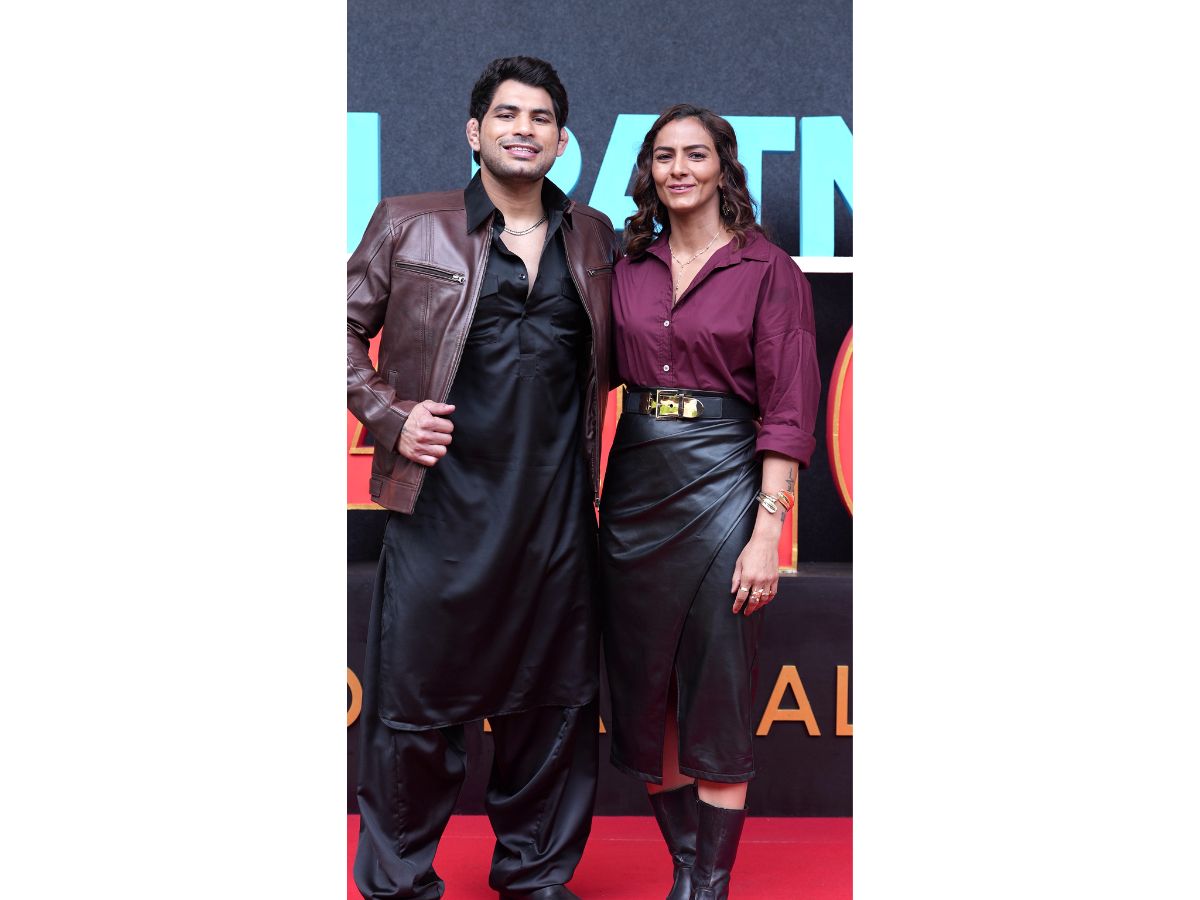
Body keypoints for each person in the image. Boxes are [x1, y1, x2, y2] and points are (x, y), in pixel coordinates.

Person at [347, 56, 616, 900]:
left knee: (553, 707)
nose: (523, 129)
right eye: (506, 114)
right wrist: (387, 414)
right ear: (474, 131)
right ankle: (399, 884)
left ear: (563, 141)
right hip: (441, 512)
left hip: (555, 515)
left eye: (541, 118)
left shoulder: (595, 235)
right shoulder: (409, 223)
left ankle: (535, 876)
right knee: (415, 711)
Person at [599, 105, 820, 900]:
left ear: (724, 166)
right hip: (635, 489)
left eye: (696, 154)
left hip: (727, 482)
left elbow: (788, 411)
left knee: (718, 689)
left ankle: (708, 884)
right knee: (646, 692)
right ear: (648, 172)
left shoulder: (769, 270)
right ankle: (690, 875)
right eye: (664, 156)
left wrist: (766, 533)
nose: (679, 169)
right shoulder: (626, 269)